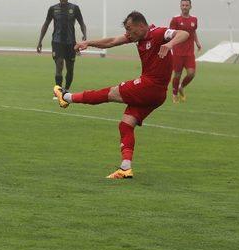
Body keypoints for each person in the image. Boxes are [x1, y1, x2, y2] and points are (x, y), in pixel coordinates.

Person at [53, 11, 188, 179]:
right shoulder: (136, 37)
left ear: (141, 25)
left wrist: (170, 44)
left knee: (109, 93)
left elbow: (184, 33)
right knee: (125, 125)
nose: (128, 34)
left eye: (130, 29)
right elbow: (112, 41)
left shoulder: (159, 33)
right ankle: (125, 168)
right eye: (127, 30)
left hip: (149, 86)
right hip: (156, 95)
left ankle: (66, 97)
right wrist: (88, 42)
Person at [37, 0, 87, 91]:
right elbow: (46, 24)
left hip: (71, 43)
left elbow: (82, 23)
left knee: (70, 68)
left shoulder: (75, 8)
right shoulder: (53, 9)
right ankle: (59, 91)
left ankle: (66, 90)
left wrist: (84, 35)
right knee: (59, 65)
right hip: (57, 42)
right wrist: (40, 41)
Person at [169, 0, 201, 103]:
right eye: (183, 5)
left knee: (191, 73)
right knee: (177, 74)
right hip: (177, 52)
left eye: (187, 5)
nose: (184, 7)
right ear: (180, 6)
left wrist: (197, 42)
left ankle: (181, 87)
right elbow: (170, 33)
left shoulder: (194, 20)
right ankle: (174, 94)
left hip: (189, 53)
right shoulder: (175, 19)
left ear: (190, 7)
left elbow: (193, 32)